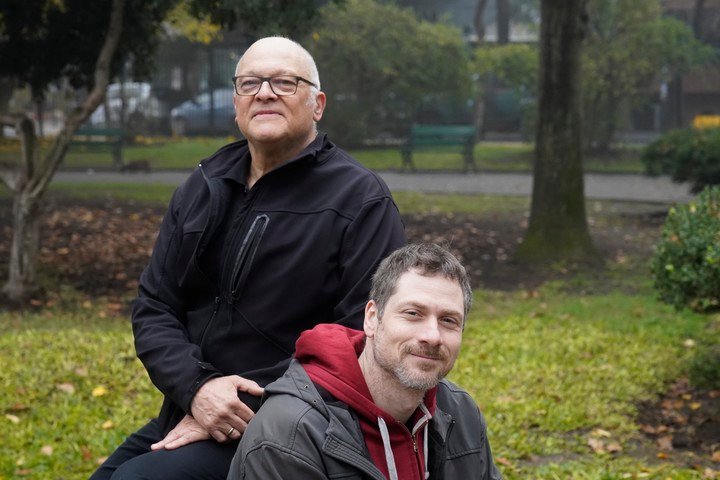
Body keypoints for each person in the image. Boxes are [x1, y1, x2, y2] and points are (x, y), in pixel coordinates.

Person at [91, 36, 405, 480]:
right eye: (250, 83)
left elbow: (361, 336)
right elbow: (154, 307)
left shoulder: (360, 200)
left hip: (295, 423)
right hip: (193, 401)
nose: (264, 92)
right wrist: (198, 389)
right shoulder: (204, 184)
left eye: (284, 82)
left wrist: (235, 403)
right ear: (236, 102)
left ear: (318, 104)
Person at [229, 243, 502, 480]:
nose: (432, 336)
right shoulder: (290, 433)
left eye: (448, 320)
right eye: (413, 313)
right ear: (372, 318)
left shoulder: (461, 412)